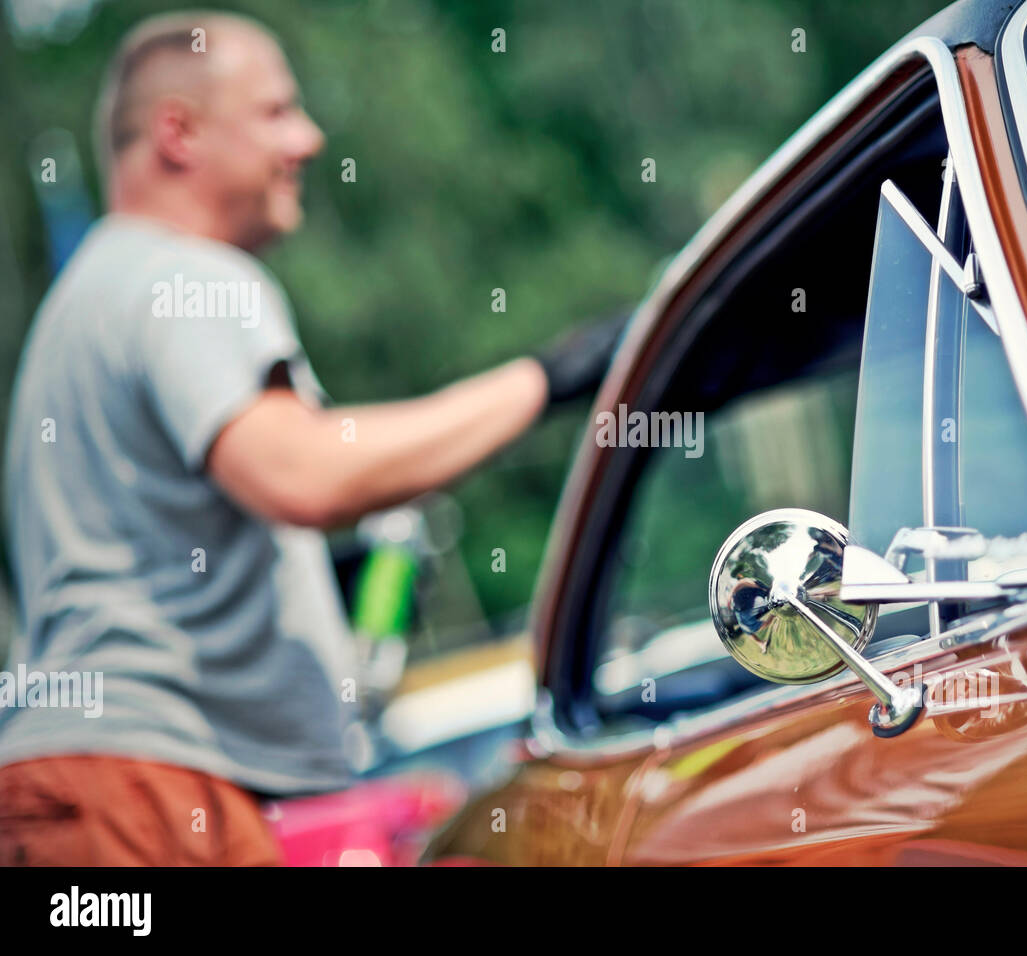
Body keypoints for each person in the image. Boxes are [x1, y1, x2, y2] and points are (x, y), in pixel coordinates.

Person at [0, 10, 619, 865]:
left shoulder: (88, 298)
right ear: (177, 133)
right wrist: (549, 379)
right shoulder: (186, 275)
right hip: (142, 795)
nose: (310, 137)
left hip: (86, 783)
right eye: (276, 111)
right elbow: (304, 475)